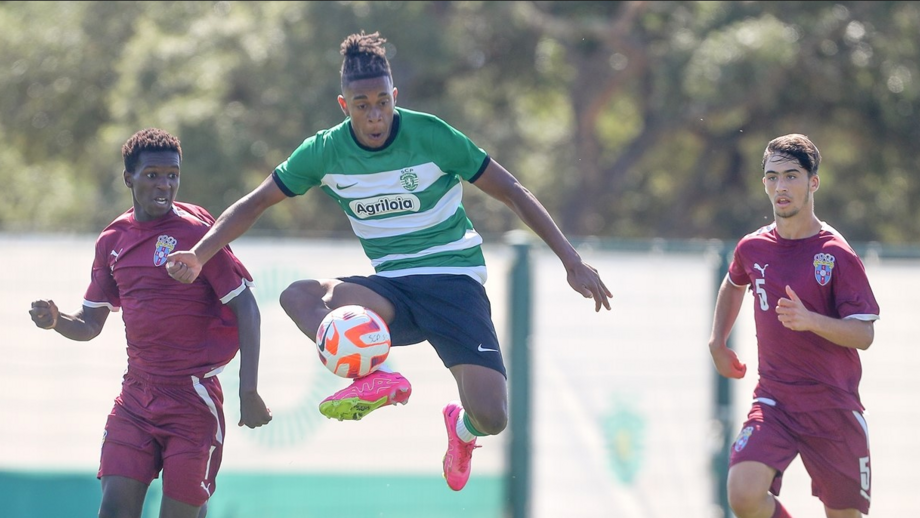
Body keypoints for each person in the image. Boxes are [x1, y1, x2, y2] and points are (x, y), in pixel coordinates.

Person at [165, 31, 611, 492]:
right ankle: (379, 375)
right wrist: (199, 254)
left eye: (382, 102)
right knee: (298, 295)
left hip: (454, 282)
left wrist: (571, 260)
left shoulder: (432, 135)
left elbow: (512, 190)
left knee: (492, 417)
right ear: (344, 105)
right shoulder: (324, 152)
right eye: (362, 104)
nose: (374, 115)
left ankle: (460, 431)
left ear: (395, 97)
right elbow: (254, 203)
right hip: (393, 290)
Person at [29, 128, 273, 518]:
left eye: (172, 174)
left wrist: (249, 391)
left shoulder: (197, 233)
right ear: (129, 178)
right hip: (136, 398)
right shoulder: (114, 240)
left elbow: (247, 307)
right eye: (153, 175)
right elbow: (90, 324)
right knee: (113, 511)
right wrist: (57, 321)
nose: (165, 185)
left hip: (192, 402)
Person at [708, 134, 879, 518]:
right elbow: (735, 282)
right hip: (775, 401)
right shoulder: (752, 247)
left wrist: (811, 321)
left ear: (813, 182)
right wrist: (717, 341)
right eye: (772, 177)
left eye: (791, 176)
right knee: (743, 492)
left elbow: (864, 335)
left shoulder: (835, 252)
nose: (780, 187)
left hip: (832, 406)